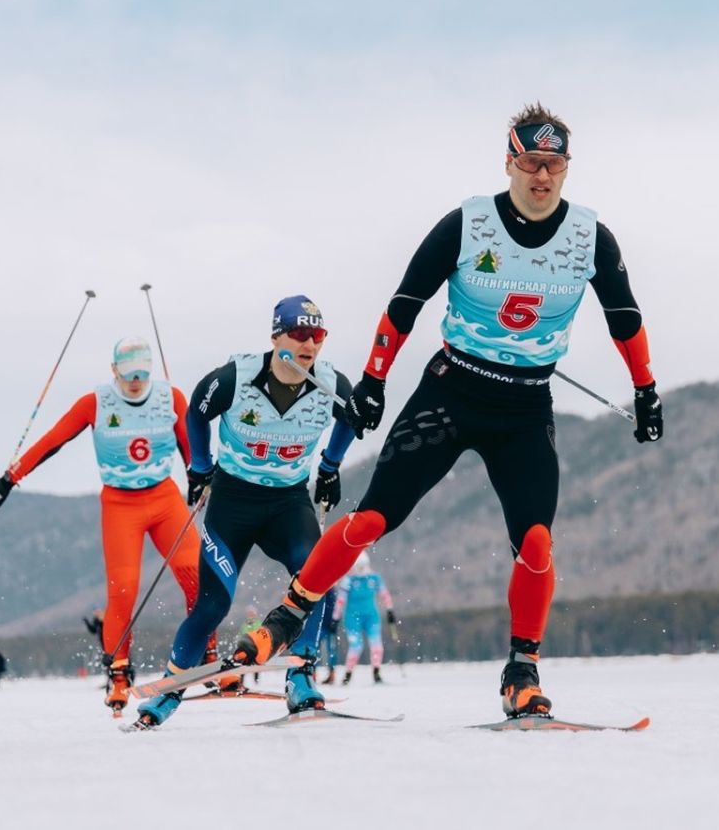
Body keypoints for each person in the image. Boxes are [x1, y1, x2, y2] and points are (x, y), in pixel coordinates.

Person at [235, 103, 663, 718]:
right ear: (509, 162)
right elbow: (405, 303)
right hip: (450, 392)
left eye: (554, 166)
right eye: (530, 163)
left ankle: (523, 670)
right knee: (372, 519)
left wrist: (645, 389)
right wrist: (375, 380)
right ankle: (288, 614)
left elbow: (625, 317)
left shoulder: (590, 237)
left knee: (537, 541)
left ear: (567, 170)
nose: (542, 177)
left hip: (524, 407)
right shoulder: (468, 224)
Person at [133, 295, 357, 728]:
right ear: (277, 337)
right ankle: (170, 689)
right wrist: (199, 468)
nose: (310, 344)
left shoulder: (331, 383)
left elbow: (350, 418)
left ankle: (301, 677)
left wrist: (329, 467)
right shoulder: (236, 377)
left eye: (319, 335)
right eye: (300, 333)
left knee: (315, 580)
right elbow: (198, 411)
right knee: (213, 605)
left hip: (288, 503)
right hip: (232, 503)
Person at [0, 338, 203, 714]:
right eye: (129, 373)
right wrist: (9, 479)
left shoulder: (171, 397)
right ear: (113, 370)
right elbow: (54, 440)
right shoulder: (96, 403)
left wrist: (197, 476)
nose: (136, 381)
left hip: (164, 499)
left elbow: (189, 445)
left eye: (143, 373)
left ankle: (206, 654)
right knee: (123, 591)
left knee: (195, 572)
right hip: (120, 504)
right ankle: (118, 673)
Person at [333, 551, 396, 684]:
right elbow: (340, 600)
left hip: (371, 617)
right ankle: (348, 675)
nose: (361, 569)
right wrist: (335, 618)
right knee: (356, 646)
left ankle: (376, 673)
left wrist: (390, 610)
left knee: (376, 645)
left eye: (363, 566)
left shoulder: (374, 578)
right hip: (352, 618)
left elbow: (385, 594)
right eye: (358, 566)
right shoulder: (348, 580)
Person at [318, 589, 340, 684]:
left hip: (329, 625)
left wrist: (335, 621)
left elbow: (338, 608)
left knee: (331, 650)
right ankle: (311, 673)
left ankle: (331, 674)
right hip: (320, 625)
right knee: (314, 649)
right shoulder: (320, 591)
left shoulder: (331, 592)